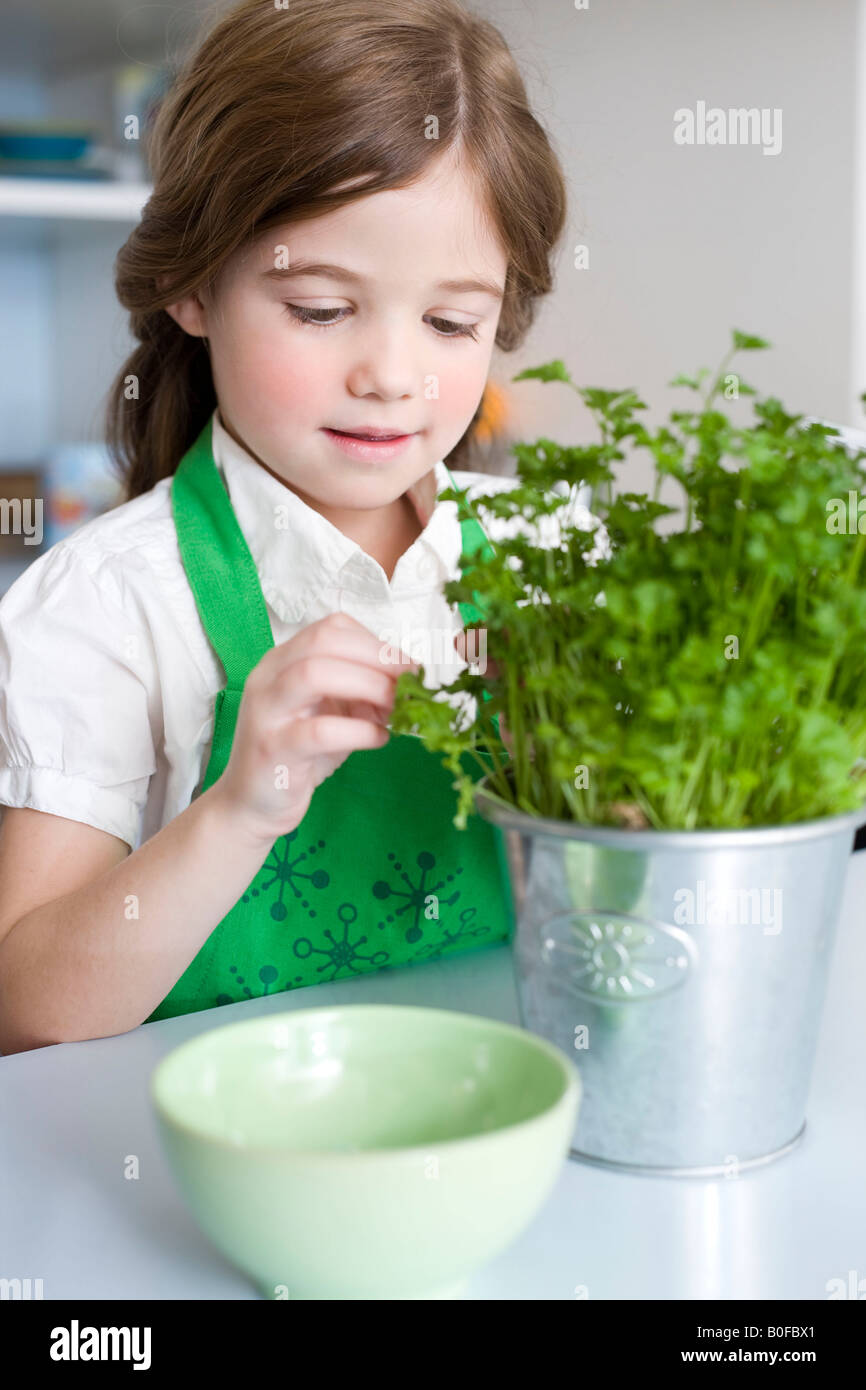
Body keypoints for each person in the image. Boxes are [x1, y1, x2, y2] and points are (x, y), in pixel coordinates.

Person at [0, 0, 586, 1051]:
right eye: (319, 308)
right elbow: (23, 1007)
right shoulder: (109, 603)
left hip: (500, 1131)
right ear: (192, 281)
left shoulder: (557, 551)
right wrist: (237, 810)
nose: (392, 376)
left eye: (452, 322)